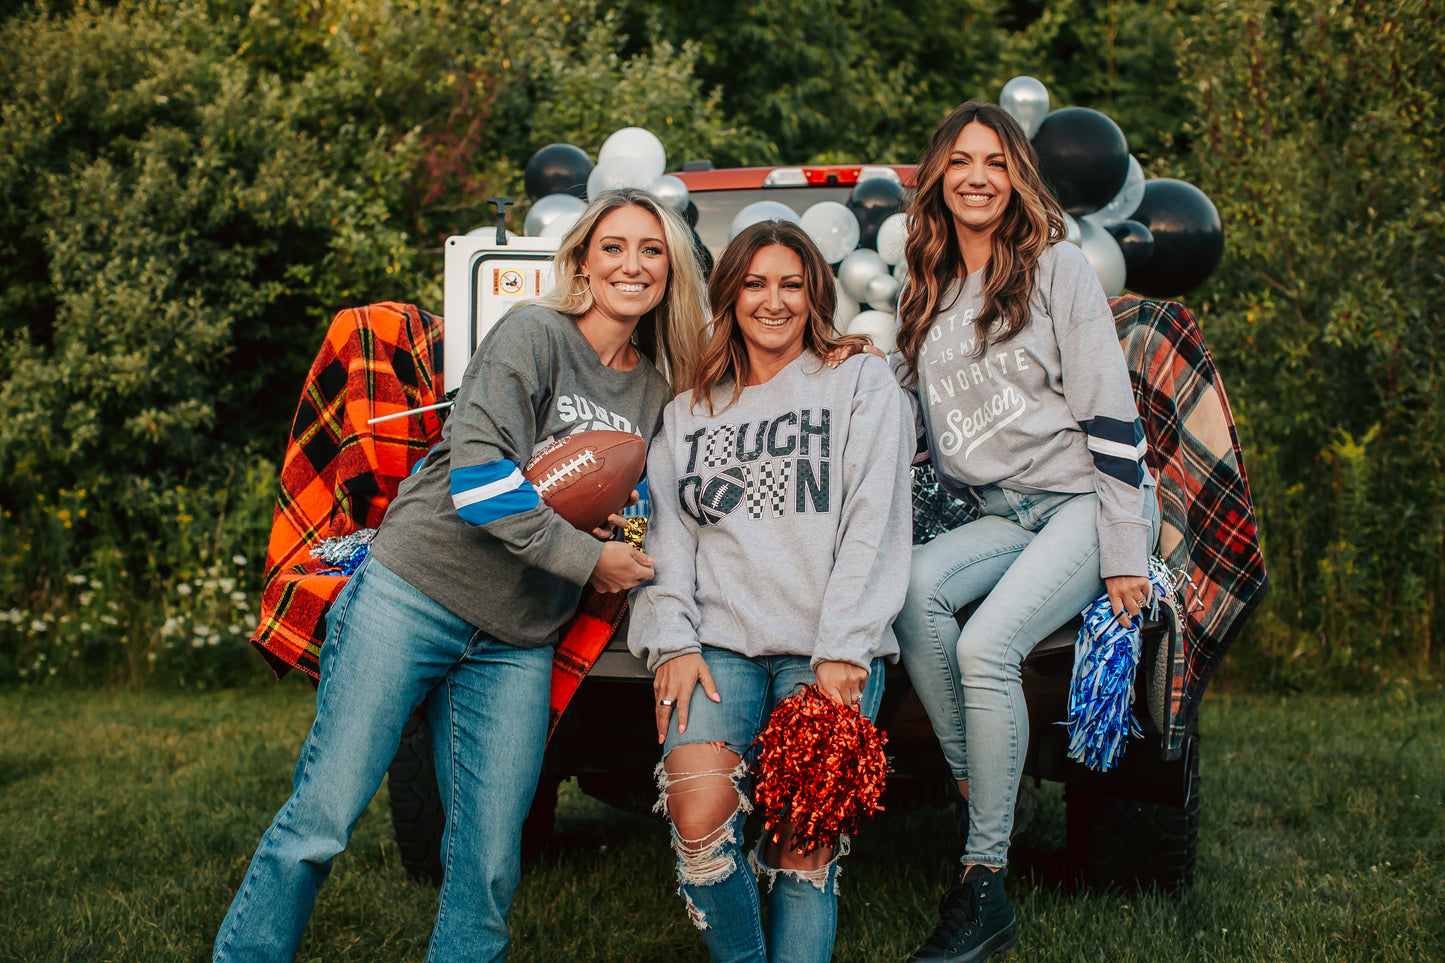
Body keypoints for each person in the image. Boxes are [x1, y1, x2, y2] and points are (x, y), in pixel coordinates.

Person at [212, 187, 709, 963]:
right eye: (613, 246)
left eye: (651, 250)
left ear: (670, 271)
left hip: (516, 637)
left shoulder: (653, 390)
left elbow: (628, 499)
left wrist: (625, 533)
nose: (632, 264)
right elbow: (479, 484)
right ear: (581, 260)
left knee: (489, 860)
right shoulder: (532, 333)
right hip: (415, 594)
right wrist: (589, 558)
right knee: (323, 816)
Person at [891, 101, 1161, 963]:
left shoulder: (1056, 267)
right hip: (1003, 513)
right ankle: (987, 792)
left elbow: (1110, 413)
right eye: (960, 160)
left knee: (986, 647)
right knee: (913, 590)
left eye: (995, 162)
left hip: (1083, 500)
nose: (977, 177)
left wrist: (1124, 550)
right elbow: (902, 407)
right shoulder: (925, 288)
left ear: (1017, 178)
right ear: (937, 176)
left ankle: (983, 879)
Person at [627, 219, 915, 963]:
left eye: (792, 284)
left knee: (803, 841)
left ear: (816, 295)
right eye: (755, 283)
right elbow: (666, 541)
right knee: (697, 818)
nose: (773, 301)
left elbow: (874, 519)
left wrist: (844, 648)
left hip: (826, 650)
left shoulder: (858, 382)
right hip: (718, 647)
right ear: (729, 295)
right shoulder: (688, 411)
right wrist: (672, 642)